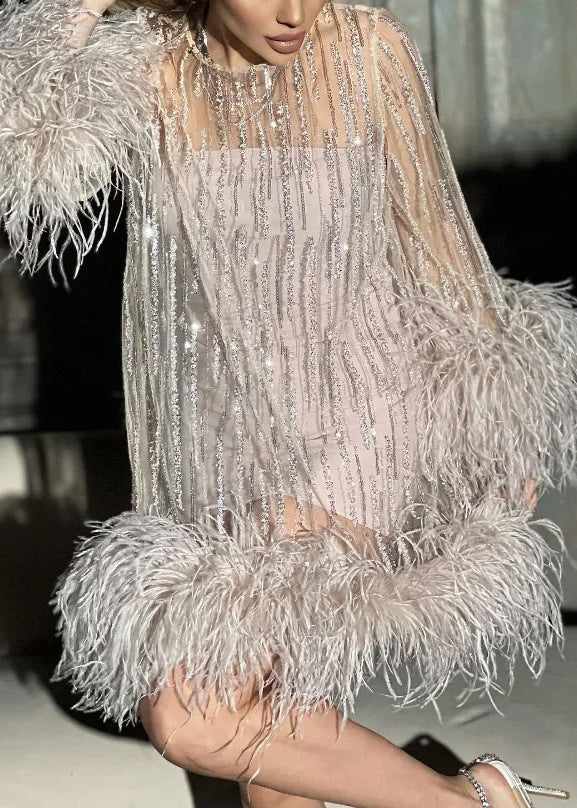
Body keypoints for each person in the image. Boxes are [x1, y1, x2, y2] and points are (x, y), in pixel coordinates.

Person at [0, 0, 574, 806]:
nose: (294, 11)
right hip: (219, 436)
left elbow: (439, 248)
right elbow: (21, 138)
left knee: (191, 717)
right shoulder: (152, 62)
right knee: (274, 727)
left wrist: (501, 425)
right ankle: (476, 796)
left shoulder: (367, 50)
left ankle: (469, 801)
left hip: (358, 421)